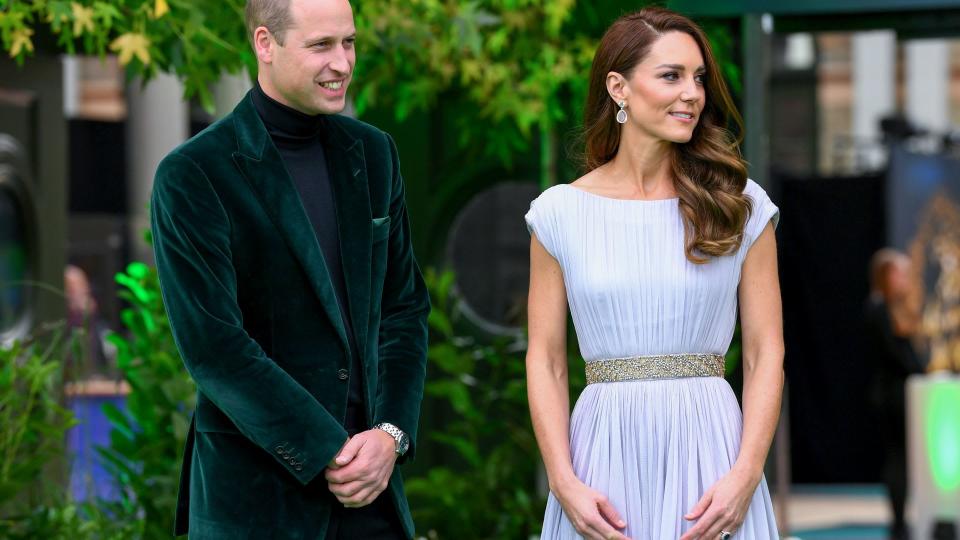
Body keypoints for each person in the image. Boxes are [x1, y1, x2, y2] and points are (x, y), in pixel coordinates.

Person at [150, 0, 430, 537]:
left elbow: (403, 308)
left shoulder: (374, 154)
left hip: (371, 496)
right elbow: (215, 346)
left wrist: (390, 436)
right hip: (255, 500)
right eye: (321, 45)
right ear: (264, 44)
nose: (343, 63)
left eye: (348, 43)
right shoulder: (192, 175)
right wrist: (329, 449)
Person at [524, 8, 783, 539]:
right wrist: (564, 481)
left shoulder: (739, 204)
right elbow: (545, 359)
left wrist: (745, 474)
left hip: (713, 456)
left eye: (699, 78)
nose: (692, 93)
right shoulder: (558, 214)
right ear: (618, 87)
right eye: (671, 76)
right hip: (603, 460)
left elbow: (765, 351)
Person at [865, 249, 925, 540]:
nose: (904, 279)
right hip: (891, 397)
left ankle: (902, 518)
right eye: (899, 273)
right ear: (887, 275)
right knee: (897, 457)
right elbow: (898, 355)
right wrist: (921, 371)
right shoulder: (878, 309)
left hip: (899, 394)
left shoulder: (890, 308)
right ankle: (899, 521)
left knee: (901, 457)